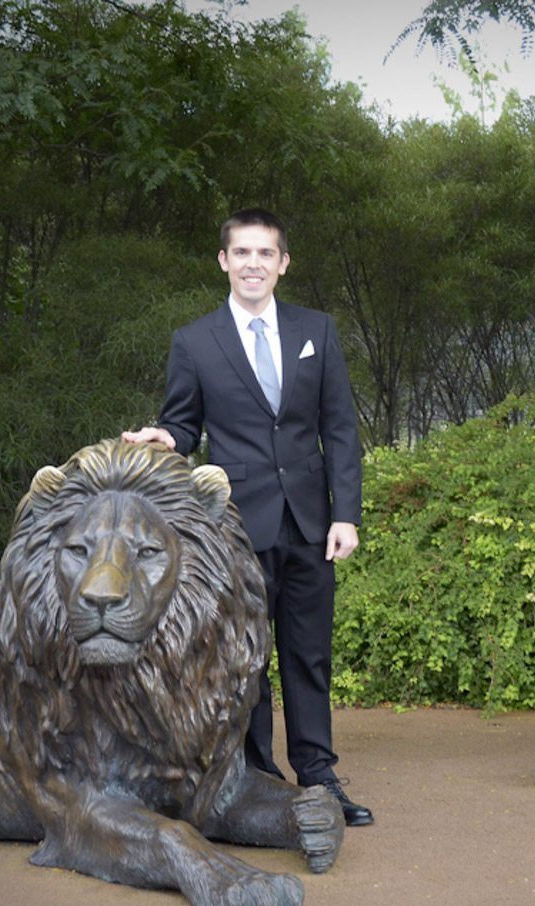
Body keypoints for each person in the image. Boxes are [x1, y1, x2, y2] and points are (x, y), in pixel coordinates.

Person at [123, 208, 372, 826]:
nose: (254, 264)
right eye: (242, 253)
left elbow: (339, 429)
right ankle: (261, 781)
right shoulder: (195, 341)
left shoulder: (318, 329)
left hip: (313, 525)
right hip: (238, 527)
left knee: (309, 655)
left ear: (283, 263)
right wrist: (165, 437)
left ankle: (319, 776)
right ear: (224, 261)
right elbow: (183, 422)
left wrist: (347, 514)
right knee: (249, 661)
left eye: (266, 253)